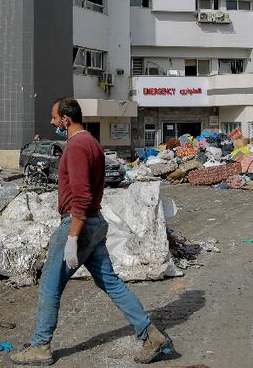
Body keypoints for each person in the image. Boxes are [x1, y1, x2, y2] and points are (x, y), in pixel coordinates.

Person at [11, 98, 171, 366]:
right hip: (95, 222)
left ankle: (40, 346)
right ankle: (151, 334)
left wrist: (72, 237)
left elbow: (81, 196)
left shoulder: (75, 147)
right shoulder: (93, 144)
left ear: (65, 119)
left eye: (53, 117)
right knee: (110, 281)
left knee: (50, 284)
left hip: (79, 223)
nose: (51, 122)